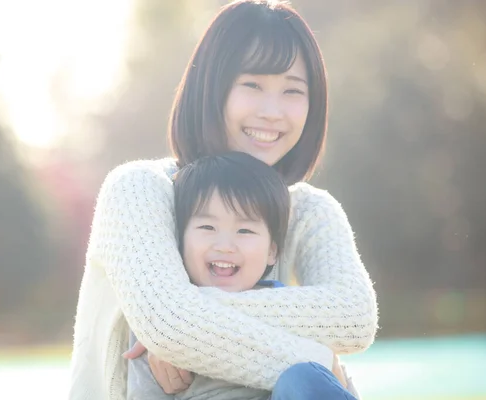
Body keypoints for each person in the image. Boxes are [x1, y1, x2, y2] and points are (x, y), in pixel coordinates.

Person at [68, 1, 378, 400]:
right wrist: (316, 356)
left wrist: (198, 322)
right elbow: (172, 326)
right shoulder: (138, 190)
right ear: (212, 87)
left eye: (292, 90)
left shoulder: (309, 211)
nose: (272, 111)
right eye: (252, 85)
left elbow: (354, 319)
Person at [127, 151, 359, 399]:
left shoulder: (295, 314)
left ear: (272, 251)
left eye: (245, 230)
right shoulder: (165, 319)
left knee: (302, 378)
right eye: (207, 227)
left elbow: (337, 387)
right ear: (180, 241)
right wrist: (173, 335)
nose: (225, 245)